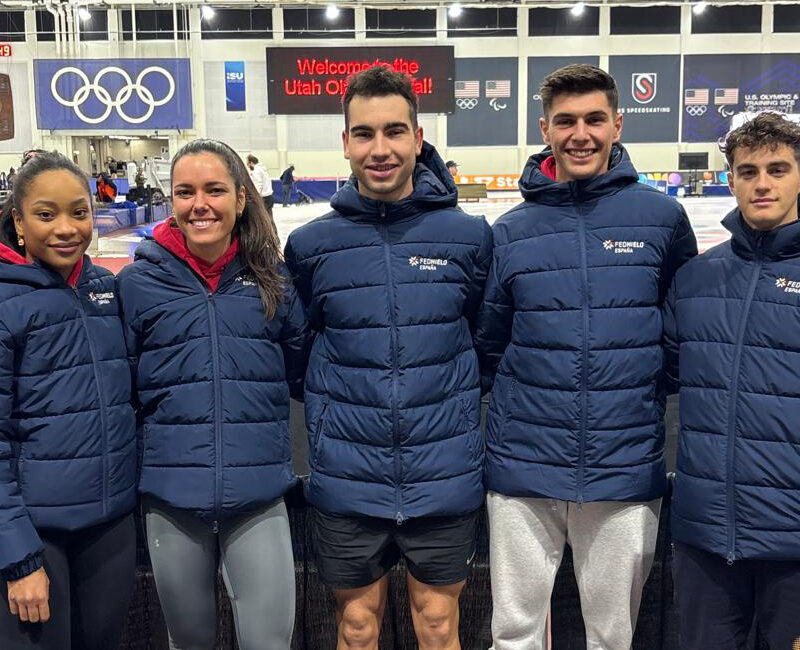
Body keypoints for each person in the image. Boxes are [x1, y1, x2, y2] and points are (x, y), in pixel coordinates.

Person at [474, 64, 697, 650]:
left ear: (617, 125)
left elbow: (677, 333)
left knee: (612, 635)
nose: (581, 134)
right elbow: (491, 342)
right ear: (545, 128)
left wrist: (635, 392)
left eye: (595, 119)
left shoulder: (661, 219)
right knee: (515, 631)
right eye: (566, 121)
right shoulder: (512, 230)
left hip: (622, 463)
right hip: (524, 463)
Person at [285, 65, 492, 650]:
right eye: (365, 133)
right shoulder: (310, 246)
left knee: (437, 623)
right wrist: (332, 423)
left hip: (441, 473)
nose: (381, 149)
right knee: (355, 627)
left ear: (418, 138)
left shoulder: (469, 236)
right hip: (348, 477)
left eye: (395, 131)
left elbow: (485, 341)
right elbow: (299, 354)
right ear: (345, 143)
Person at [117, 139, 310, 650]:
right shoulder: (137, 284)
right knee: (190, 641)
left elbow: (296, 369)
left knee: (269, 642)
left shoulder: (273, 281)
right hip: (172, 498)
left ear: (241, 198)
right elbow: (128, 384)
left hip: (258, 495)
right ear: (171, 200)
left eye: (214, 190)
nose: (199, 204)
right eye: (185, 192)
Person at [663, 112, 800, 650]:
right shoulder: (697, 276)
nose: (762, 183)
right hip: (706, 536)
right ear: (731, 178)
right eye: (747, 171)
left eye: (778, 169)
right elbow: (660, 374)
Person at [0, 152, 137, 649]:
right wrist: (18, 558)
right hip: (38, 536)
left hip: (110, 526)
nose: (66, 228)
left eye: (79, 212)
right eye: (45, 214)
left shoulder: (105, 288)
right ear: (18, 220)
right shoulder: (6, 302)